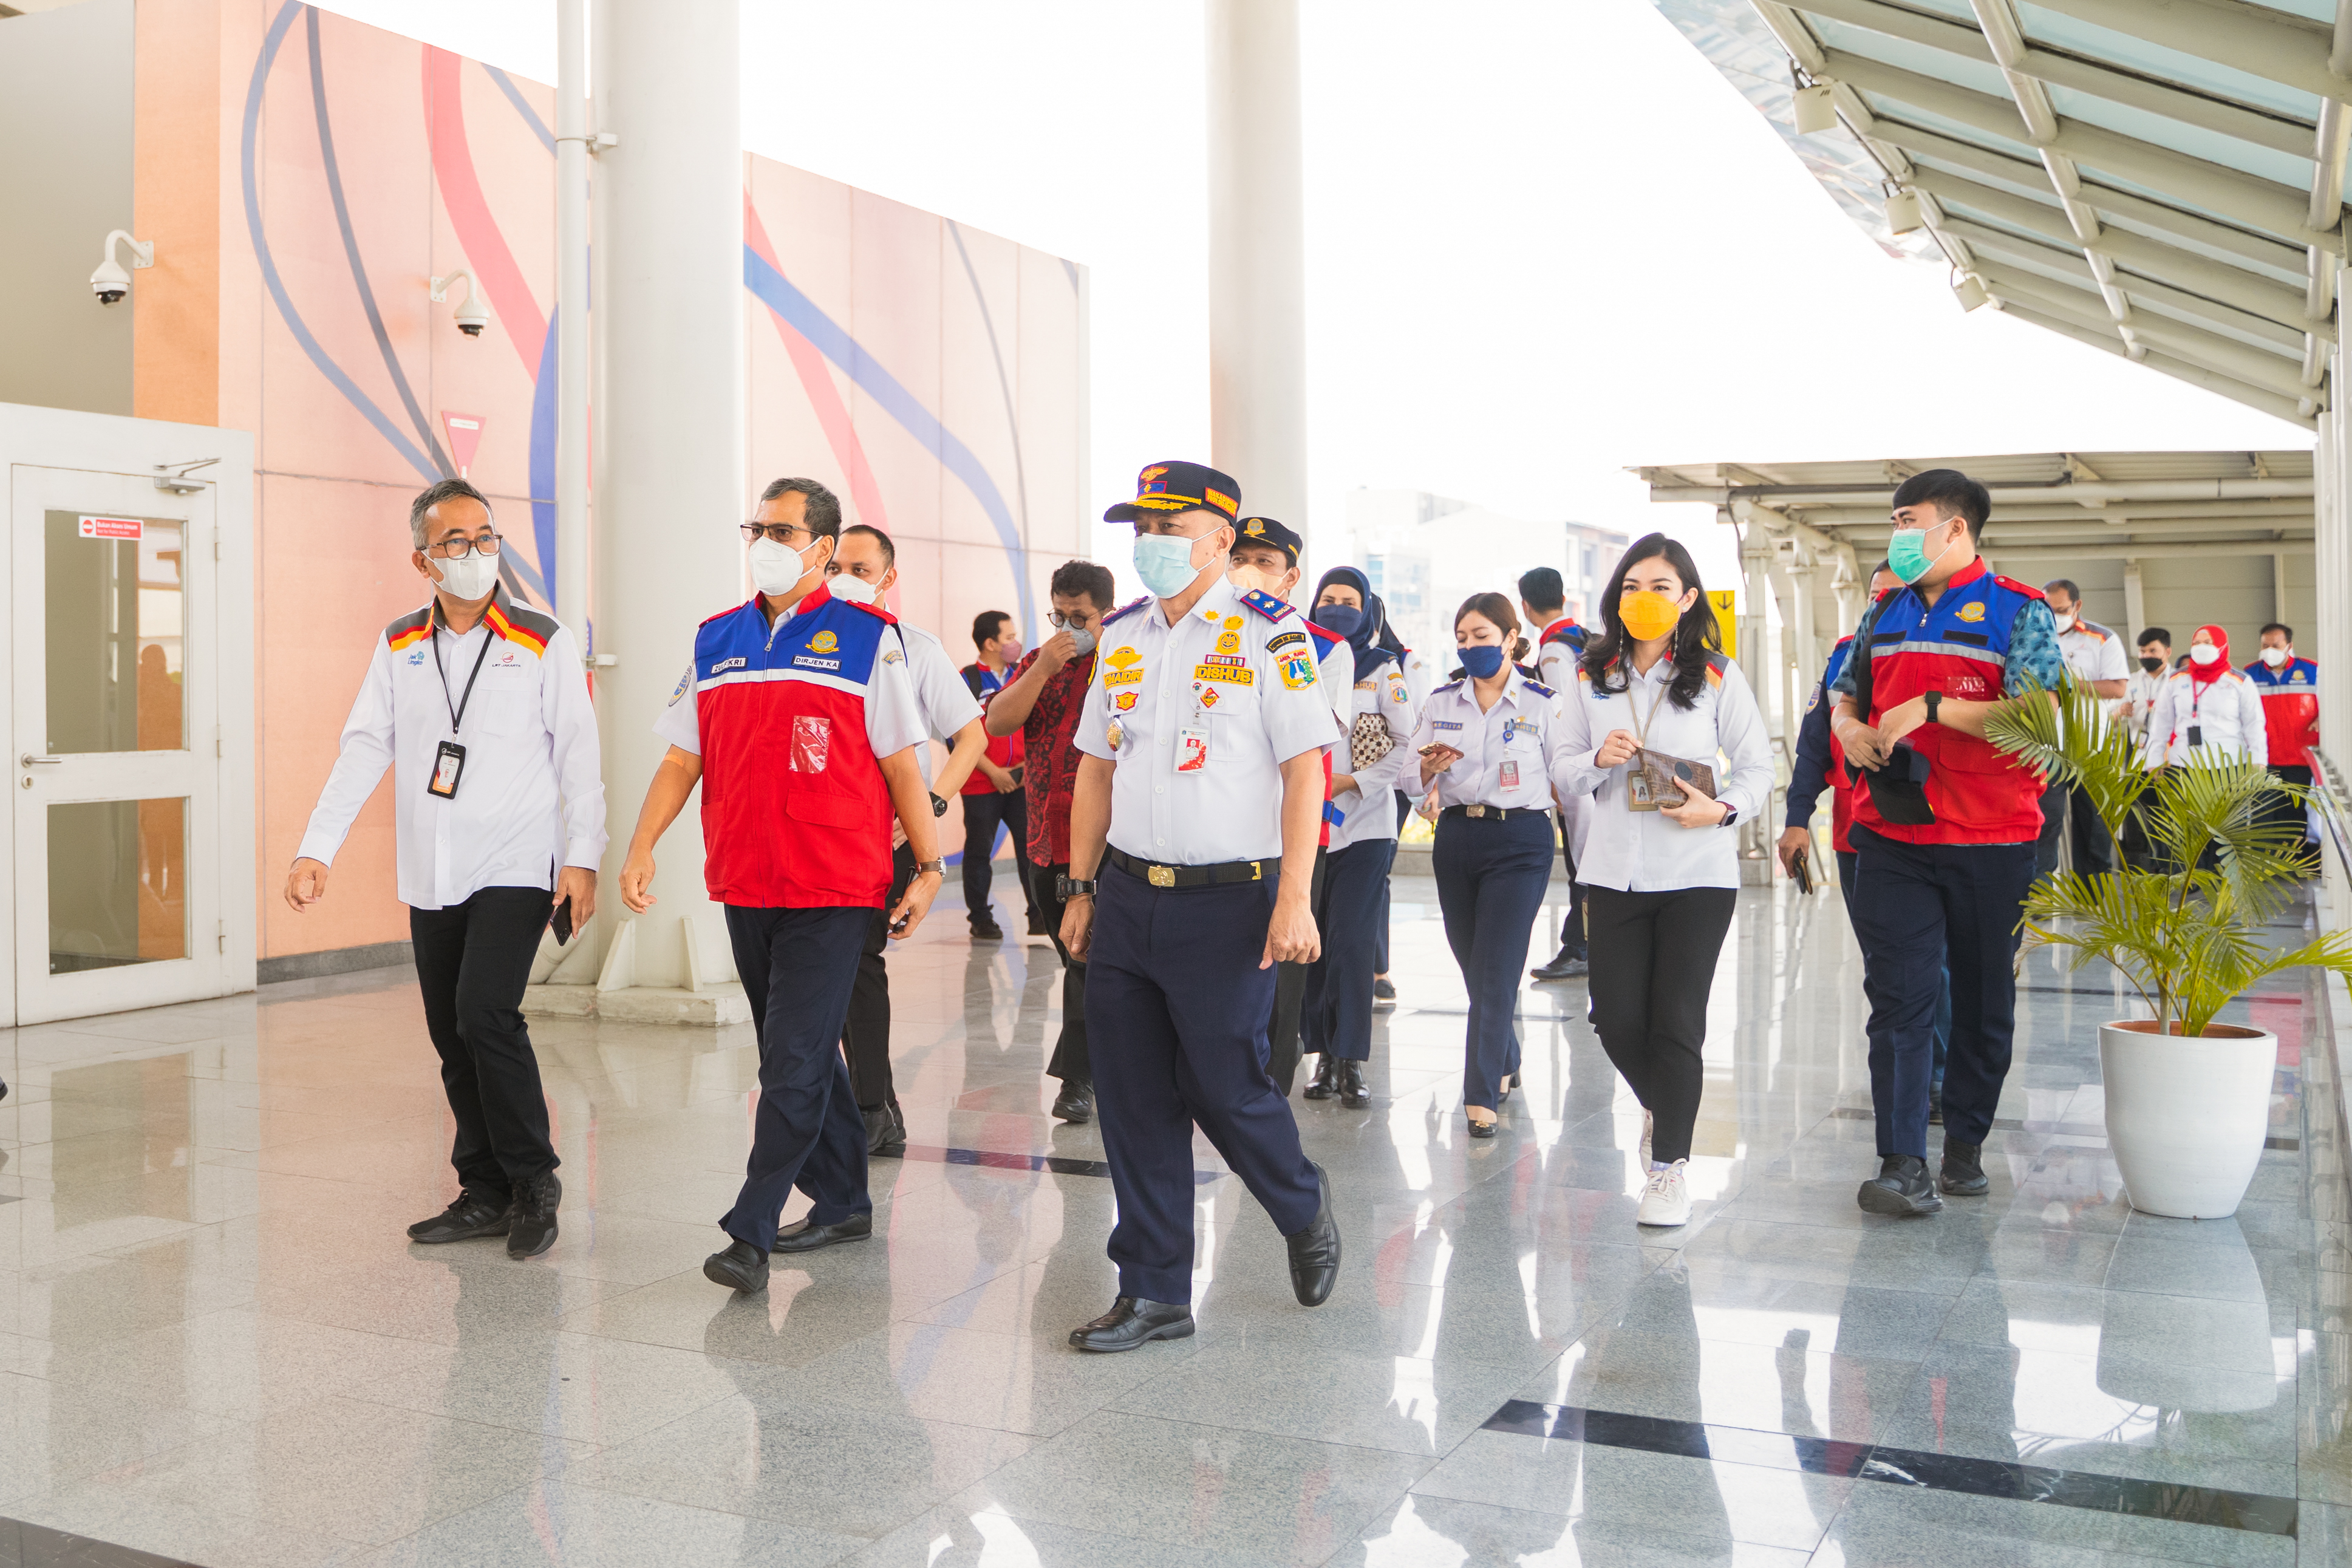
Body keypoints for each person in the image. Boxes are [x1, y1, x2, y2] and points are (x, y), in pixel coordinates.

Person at [617, 478, 944, 1295]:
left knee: (791, 1059)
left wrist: (932, 866)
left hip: (835, 884)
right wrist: (642, 844)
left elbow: (904, 761)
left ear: (824, 548)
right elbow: (681, 757)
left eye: (782, 528)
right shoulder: (716, 638)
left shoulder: (870, 638)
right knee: (795, 1050)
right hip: (747, 879)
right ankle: (842, 1200)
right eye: (755, 526)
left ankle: (750, 1229)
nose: (763, 540)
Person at [1058, 462, 1342, 1351]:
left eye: (1168, 528)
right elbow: (1095, 766)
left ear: (1222, 537)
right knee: (1133, 1095)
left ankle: (1300, 1201)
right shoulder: (1125, 635)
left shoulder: (1272, 634)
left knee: (1223, 1084)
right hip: (1129, 894)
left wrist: (1294, 898)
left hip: (1231, 903)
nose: (1149, 545)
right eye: (1139, 529)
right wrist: (1078, 886)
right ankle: (1153, 1290)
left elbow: (1306, 772)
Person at [285, 477, 603, 1258]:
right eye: (454, 542)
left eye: (485, 536)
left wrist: (583, 857)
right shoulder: (401, 641)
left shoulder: (540, 636)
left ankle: (534, 1180)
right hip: (433, 865)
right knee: (449, 1029)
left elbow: (578, 752)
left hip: (517, 861)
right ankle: (483, 1187)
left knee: (486, 1014)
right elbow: (365, 745)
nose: (473, 553)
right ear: (423, 560)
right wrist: (316, 845)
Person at [1831, 469, 2062, 1218]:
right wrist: (1852, 728)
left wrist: (1931, 706)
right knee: (1898, 996)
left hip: (1993, 835)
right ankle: (1902, 1161)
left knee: (1983, 996)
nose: (1898, 535)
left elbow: (2038, 716)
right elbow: (1844, 693)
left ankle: (1964, 1143)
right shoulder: (1885, 611)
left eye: (1909, 519)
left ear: (1955, 529)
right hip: (1892, 830)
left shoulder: (2021, 612)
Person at [1555, 537, 1770, 1225]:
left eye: (1661, 584)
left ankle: (1669, 1166)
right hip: (1612, 871)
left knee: (1678, 1021)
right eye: (1632, 584)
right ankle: (1666, 1102)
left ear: (1686, 598)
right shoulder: (1588, 676)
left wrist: (1724, 808)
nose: (1644, 596)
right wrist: (1595, 756)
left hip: (1697, 874)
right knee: (1615, 1018)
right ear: (1617, 596)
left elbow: (1758, 766)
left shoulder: (1714, 674)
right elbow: (1557, 766)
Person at [828, 525, 987, 1155]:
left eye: (860, 567)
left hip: (888, 836)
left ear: (887, 578)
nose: (845, 576)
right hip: (820, 832)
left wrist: (933, 802)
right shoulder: (805, 645)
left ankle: (875, 1106)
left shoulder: (914, 649)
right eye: (836, 563)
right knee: (837, 968)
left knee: (856, 962)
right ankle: (869, 1101)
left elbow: (969, 736)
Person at [1412, 593, 1575, 1139]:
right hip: (1458, 837)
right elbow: (1409, 781)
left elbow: (1567, 777)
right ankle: (1504, 1055)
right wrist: (1426, 774)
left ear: (1510, 638)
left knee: (1498, 967)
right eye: (1462, 638)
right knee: (1473, 967)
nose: (1470, 647)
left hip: (1522, 840)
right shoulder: (1441, 702)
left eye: (1481, 636)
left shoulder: (1542, 702)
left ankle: (1480, 1093)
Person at [982, 560, 1117, 1124]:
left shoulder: (1126, 661)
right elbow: (996, 724)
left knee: (1093, 963)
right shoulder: (1043, 662)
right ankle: (1097, 1072)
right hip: (1045, 840)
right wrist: (1040, 670)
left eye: (1079, 616)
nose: (1068, 625)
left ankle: (1078, 1081)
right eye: (1058, 614)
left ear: (1106, 612)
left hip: (1112, 842)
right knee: (1078, 961)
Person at [1230, 516, 1349, 1093]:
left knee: (1283, 979)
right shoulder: (1202, 633)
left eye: (1265, 563)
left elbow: (1308, 742)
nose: (1247, 572)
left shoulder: (1324, 647)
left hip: (1296, 836)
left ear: (1290, 577)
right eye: (1239, 558)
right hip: (1227, 836)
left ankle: (1270, 1092)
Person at [1300, 566, 1414, 1107]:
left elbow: (1404, 740)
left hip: (1364, 826)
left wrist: (1355, 783)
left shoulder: (1381, 668)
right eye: (1329, 599)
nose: (1337, 609)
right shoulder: (1296, 656)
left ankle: (1350, 1061)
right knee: (1314, 944)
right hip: (1305, 826)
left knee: (1351, 943)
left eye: (1349, 601)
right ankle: (1320, 1056)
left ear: (1367, 610)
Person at [1519, 566, 1594, 984]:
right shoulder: (1579, 637)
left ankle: (1581, 947)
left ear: (1526, 607)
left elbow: (1561, 714)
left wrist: (1558, 777)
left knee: (1581, 861)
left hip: (1577, 770)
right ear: (1562, 597)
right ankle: (1582, 944)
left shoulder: (1552, 651)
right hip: (1592, 765)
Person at [960, 610, 1046, 941]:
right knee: (979, 851)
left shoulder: (1022, 675)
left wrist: (1024, 770)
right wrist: (994, 772)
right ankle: (980, 919)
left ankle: (1038, 916)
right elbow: (958, 736)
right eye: (1009, 638)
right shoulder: (967, 679)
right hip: (982, 782)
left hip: (1022, 781)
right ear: (990, 643)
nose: (1016, 644)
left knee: (1031, 849)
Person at [2034, 579, 2127, 879]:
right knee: (2045, 823)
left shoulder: (2103, 638)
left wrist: (2070, 685)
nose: (2054, 615)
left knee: (2095, 824)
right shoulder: (2033, 635)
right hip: (2046, 745)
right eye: (2049, 609)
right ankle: (2040, 894)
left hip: (2090, 747)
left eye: (2061, 610)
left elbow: (2117, 687)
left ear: (2078, 606)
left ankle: (2092, 896)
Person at [2248, 622, 2322, 870]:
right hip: (2264, 760)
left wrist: (2324, 717)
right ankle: (2262, 868)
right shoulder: (2249, 675)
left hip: (2301, 759)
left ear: (2289, 646)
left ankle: (2290, 867)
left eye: (2276, 646)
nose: (2269, 650)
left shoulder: (2312, 671)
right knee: (2263, 814)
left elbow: (2334, 703)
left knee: (2295, 816)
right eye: (2265, 646)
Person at [2144, 624, 2266, 769]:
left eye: (2208, 643)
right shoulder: (2175, 680)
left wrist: (2259, 760)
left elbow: (2254, 724)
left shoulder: (2239, 681)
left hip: (2229, 764)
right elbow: (2160, 724)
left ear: (2222, 646)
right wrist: (2154, 760)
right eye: (2197, 643)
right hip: (2184, 763)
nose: (2201, 647)